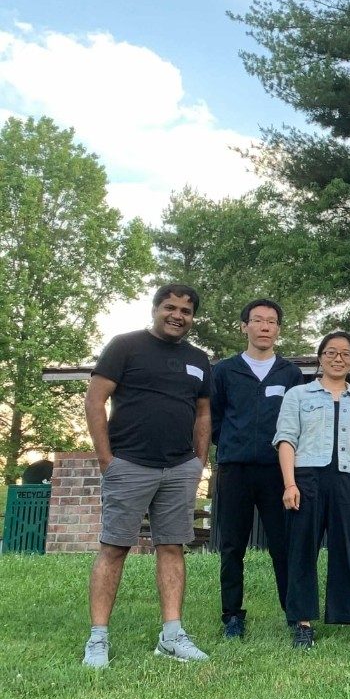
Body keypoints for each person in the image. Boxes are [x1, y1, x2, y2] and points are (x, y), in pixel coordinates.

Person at [81, 284, 213, 668]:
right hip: (129, 465)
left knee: (172, 547)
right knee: (114, 547)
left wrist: (198, 461)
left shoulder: (199, 359)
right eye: (169, 307)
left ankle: (171, 636)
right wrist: (107, 459)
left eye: (185, 311)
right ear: (154, 309)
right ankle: (98, 639)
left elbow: (203, 412)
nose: (177, 315)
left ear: (192, 318)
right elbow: (95, 398)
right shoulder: (125, 346)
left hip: (178, 468)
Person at [275, 331, 350, 651]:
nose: (338, 358)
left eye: (345, 354)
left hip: (346, 480)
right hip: (306, 478)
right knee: (301, 550)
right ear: (321, 357)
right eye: (331, 352)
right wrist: (290, 483)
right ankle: (302, 623)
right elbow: (286, 440)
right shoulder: (299, 395)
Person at [210, 298, 304, 639]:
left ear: (278, 329)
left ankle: (295, 615)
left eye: (271, 322)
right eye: (258, 320)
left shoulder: (290, 374)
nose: (264, 327)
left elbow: (297, 423)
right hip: (234, 469)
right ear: (244, 326)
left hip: (277, 473)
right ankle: (232, 616)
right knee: (232, 545)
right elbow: (214, 419)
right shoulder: (223, 370)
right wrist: (233, 443)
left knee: (283, 545)